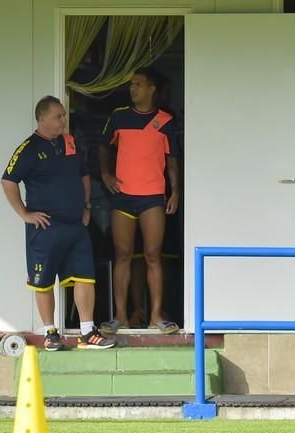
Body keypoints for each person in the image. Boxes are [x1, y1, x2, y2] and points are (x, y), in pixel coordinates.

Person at [1, 95, 116, 351]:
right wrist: (25, 214)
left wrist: (86, 207)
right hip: (46, 228)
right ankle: (50, 332)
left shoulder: (71, 143)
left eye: (64, 115)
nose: (64, 120)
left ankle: (88, 332)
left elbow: (84, 174)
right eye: (58, 116)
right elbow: (8, 181)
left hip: (75, 226)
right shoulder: (28, 148)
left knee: (86, 277)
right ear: (42, 118)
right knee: (43, 280)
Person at [98, 67, 181, 335]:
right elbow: (103, 147)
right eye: (131, 84)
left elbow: (172, 161)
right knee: (122, 255)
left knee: (153, 256)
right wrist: (106, 174)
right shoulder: (118, 117)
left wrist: (176, 191)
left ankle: (156, 315)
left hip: (153, 198)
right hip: (123, 197)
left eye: (138, 84)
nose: (132, 88)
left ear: (151, 89)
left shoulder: (165, 120)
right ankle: (120, 316)